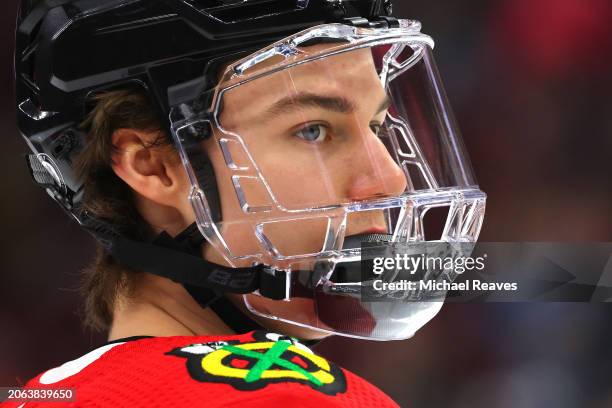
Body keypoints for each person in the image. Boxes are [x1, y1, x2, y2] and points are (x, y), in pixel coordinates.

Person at [7, 0, 486, 406]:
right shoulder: (292, 396)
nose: (388, 177)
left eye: (377, 127)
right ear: (153, 166)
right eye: (313, 130)